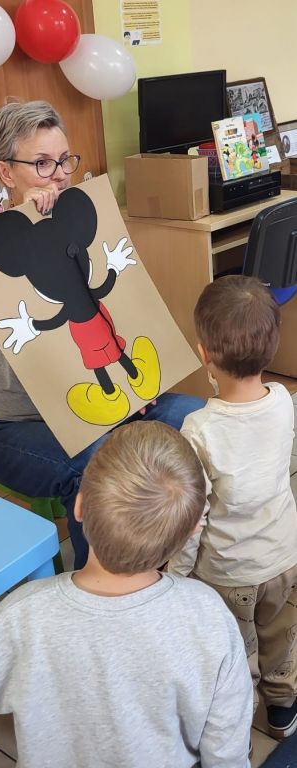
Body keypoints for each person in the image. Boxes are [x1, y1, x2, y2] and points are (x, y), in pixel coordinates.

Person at [0, 100, 204, 568]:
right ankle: (102, 590)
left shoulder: (81, 223)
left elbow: (118, 306)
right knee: (101, 470)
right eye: (42, 163)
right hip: (17, 426)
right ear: (6, 172)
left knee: (202, 420)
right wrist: (25, 220)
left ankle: (188, 563)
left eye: (64, 160)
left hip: (103, 409)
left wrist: (137, 390)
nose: (60, 175)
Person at [0, 421, 253, 768]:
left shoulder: (21, 617)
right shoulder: (208, 616)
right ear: (190, 533)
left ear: (79, 506)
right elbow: (227, 751)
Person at [169, 275, 297, 739]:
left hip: (228, 571)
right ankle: (282, 708)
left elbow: (194, 516)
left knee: (236, 649)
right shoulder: (284, 401)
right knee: (281, 636)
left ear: (204, 354)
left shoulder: (199, 428)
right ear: (272, 347)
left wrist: (177, 573)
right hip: (283, 557)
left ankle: (237, 721)